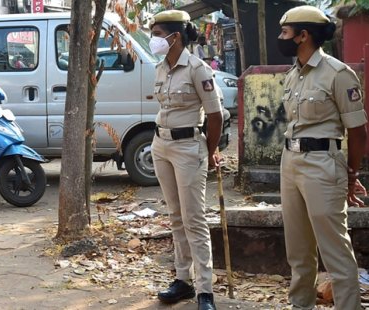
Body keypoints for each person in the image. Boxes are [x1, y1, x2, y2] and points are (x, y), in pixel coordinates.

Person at [277, 6, 367, 309]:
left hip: (323, 165)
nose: (281, 38)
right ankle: (301, 305)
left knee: (336, 253)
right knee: (298, 251)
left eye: (285, 32)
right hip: (290, 163)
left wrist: (351, 175)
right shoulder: (293, 75)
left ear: (304, 35)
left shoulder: (338, 74)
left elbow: (358, 132)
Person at [147, 10, 222, 310]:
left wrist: (209, 149)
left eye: (156, 34)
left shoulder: (198, 68)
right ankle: (183, 280)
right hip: (160, 145)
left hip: (188, 146)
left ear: (174, 37)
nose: (153, 40)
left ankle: (205, 290)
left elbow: (215, 116)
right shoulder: (160, 68)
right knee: (176, 216)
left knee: (194, 219)